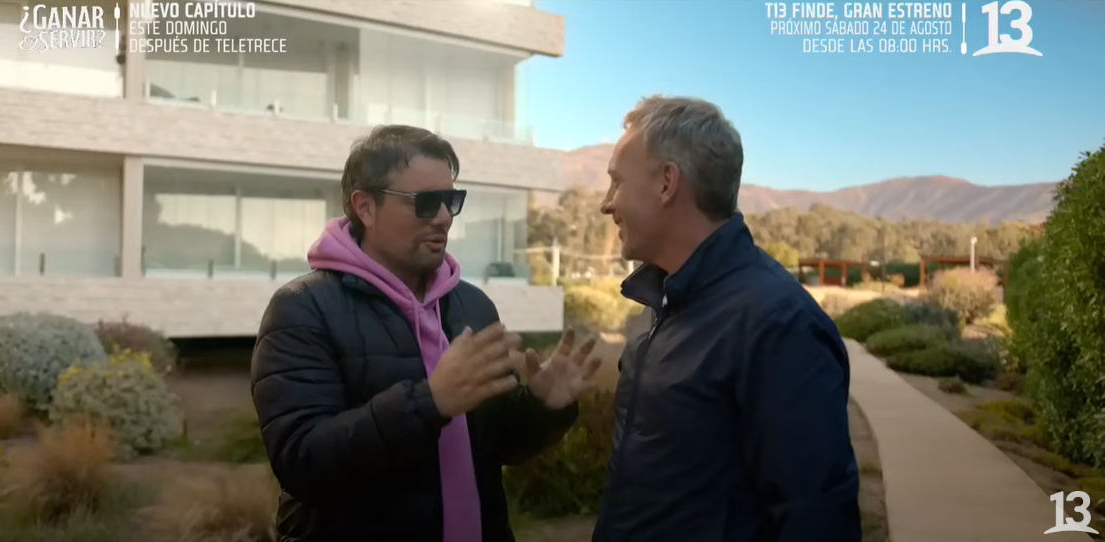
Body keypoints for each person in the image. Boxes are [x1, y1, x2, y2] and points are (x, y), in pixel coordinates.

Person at [250, 124, 602, 542]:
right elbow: (301, 462)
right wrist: (428, 402)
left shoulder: (472, 306)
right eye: (426, 202)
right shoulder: (302, 309)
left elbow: (498, 445)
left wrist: (541, 407)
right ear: (365, 207)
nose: (444, 217)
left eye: (451, 201)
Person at [591, 96, 862, 542]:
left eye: (617, 181)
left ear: (667, 183)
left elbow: (816, 518)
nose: (607, 203)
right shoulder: (661, 304)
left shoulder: (779, 326)